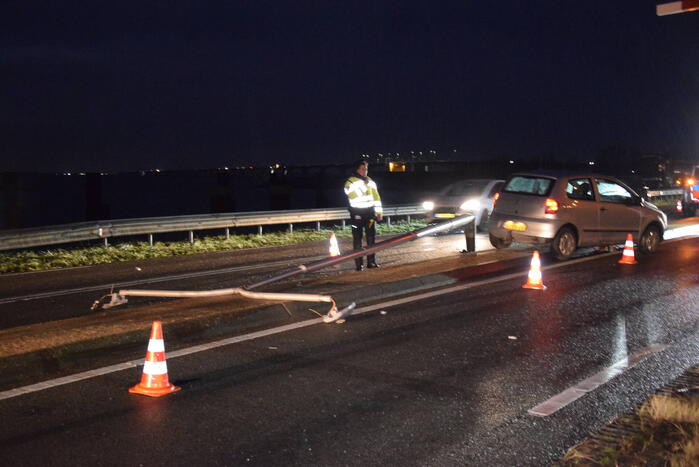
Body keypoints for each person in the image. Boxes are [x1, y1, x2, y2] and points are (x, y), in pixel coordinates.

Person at [344, 160, 383, 271]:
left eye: (366, 169)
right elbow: (350, 195)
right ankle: (359, 265)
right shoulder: (350, 182)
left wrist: (379, 212)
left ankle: (371, 262)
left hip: (370, 213)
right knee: (357, 239)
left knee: (371, 238)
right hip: (357, 214)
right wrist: (363, 187)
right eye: (362, 169)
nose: (365, 171)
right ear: (357, 169)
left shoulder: (370, 181)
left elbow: (376, 198)